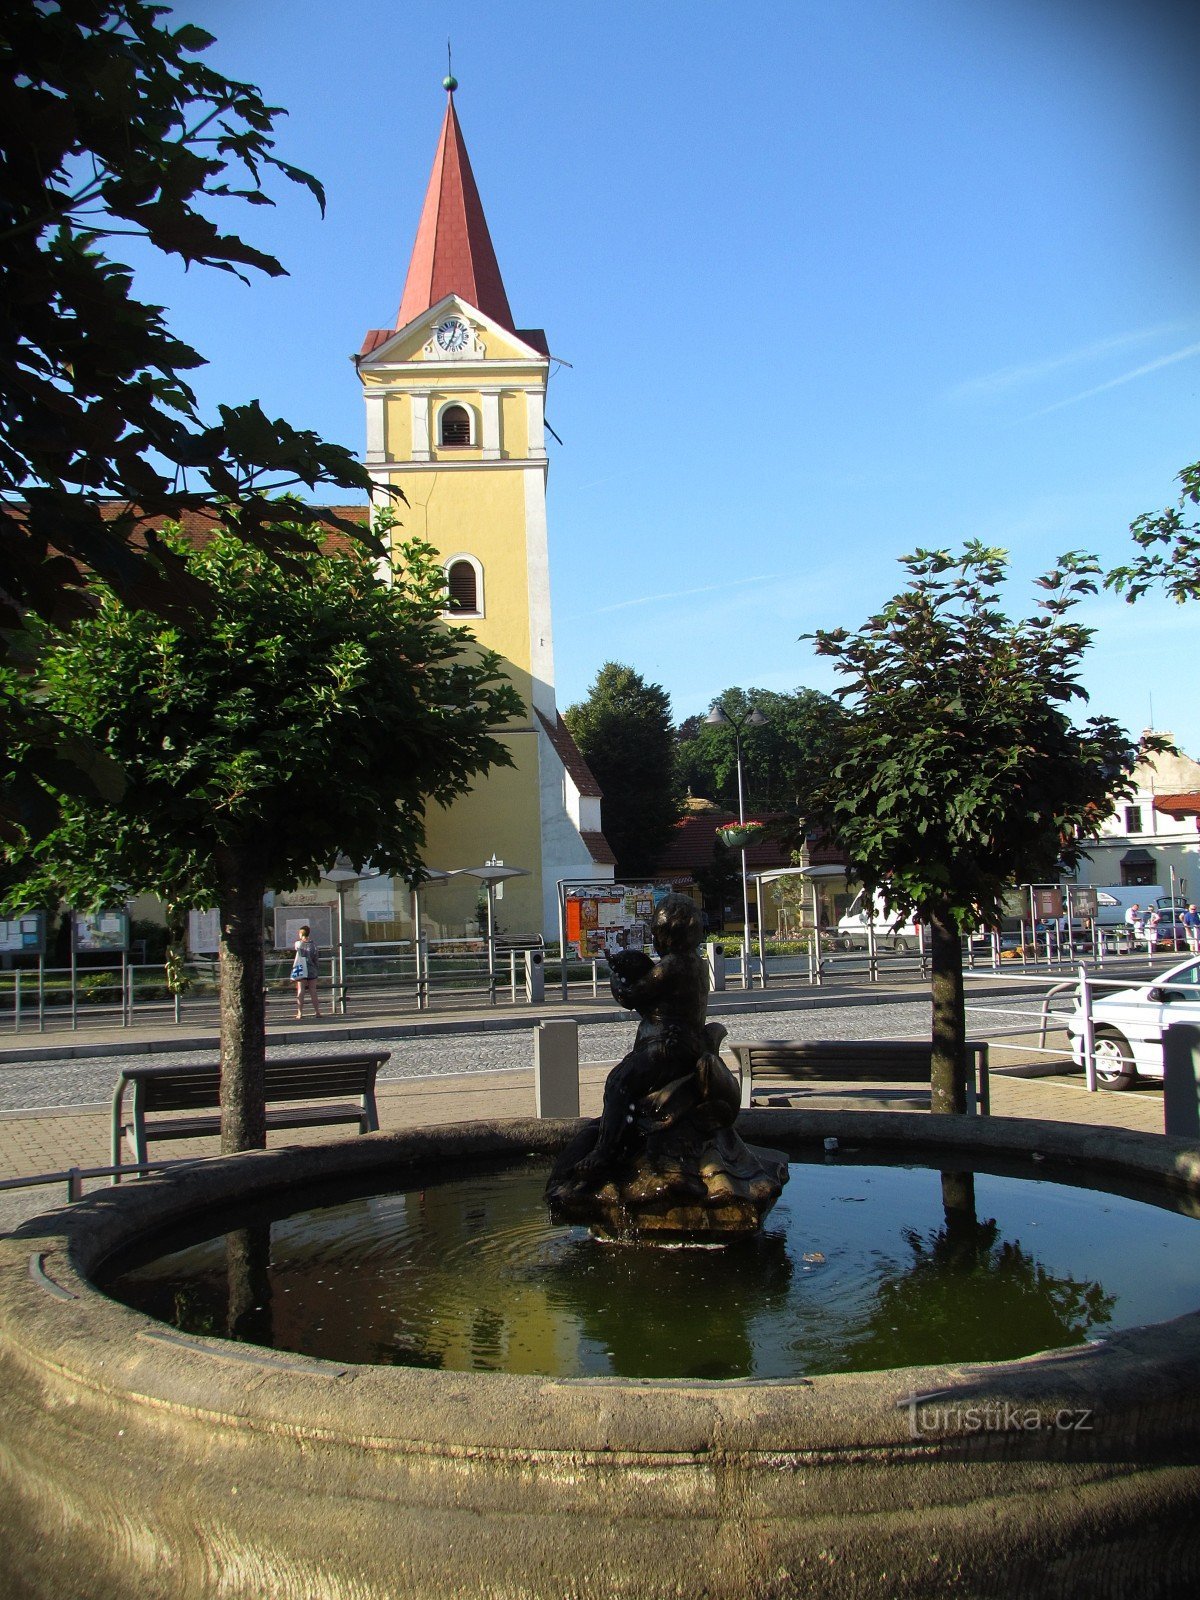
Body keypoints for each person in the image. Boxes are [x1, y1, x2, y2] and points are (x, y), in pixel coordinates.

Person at [292, 924, 322, 1019]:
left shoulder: (298, 944)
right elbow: (316, 959)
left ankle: (300, 1013)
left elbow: (296, 946)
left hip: (301, 968)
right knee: (313, 991)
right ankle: (317, 1012)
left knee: (301, 991)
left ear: (301, 934)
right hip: (312, 969)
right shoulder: (313, 945)